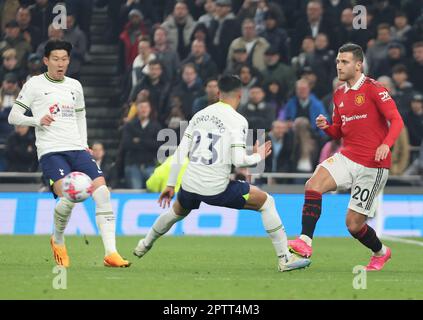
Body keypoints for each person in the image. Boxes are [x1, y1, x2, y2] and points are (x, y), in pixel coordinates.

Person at [133, 75, 311, 272]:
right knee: (266, 202)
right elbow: (239, 159)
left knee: (176, 212)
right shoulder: (237, 121)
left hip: (190, 183)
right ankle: (285, 259)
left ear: (218, 93)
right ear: (240, 94)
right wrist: (258, 156)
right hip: (216, 188)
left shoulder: (199, 115)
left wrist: (170, 184)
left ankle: (144, 244)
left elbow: (180, 152)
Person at [7, 40, 130, 268]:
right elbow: (13, 116)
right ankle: (58, 239)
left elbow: (80, 116)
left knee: (102, 192)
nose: (60, 63)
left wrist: (84, 144)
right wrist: (37, 120)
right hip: (52, 151)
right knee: (68, 196)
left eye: (64, 59)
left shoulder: (75, 85)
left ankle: (111, 253)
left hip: (76, 148)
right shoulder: (34, 84)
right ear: (46, 61)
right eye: (55, 59)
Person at [288, 43, 404, 271]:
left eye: (345, 62)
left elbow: (397, 120)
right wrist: (326, 127)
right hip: (347, 156)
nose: (339, 66)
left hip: (373, 165)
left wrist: (385, 144)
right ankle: (304, 242)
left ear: (358, 65)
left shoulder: (374, 88)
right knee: (313, 185)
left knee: (353, 225)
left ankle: (381, 252)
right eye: (338, 62)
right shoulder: (339, 93)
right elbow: (339, 132)